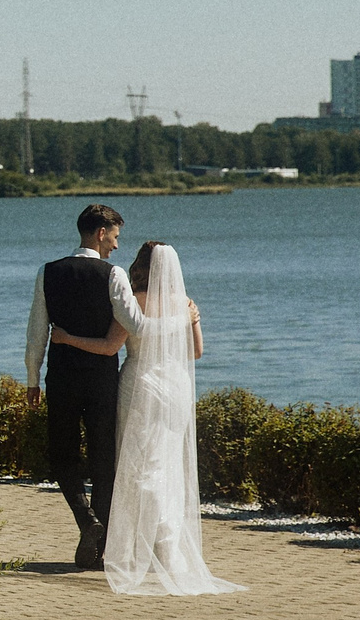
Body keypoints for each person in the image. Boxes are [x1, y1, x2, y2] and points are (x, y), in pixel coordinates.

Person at [48, 241, 243, 596]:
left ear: (139, 266)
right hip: (176, 388)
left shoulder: (134, 302)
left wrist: (66, 338)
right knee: (167, 462)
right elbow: (196, 352)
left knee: (139, 465)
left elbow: (109, 347)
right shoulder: (186, 304)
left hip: (142, 384)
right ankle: (165, 547)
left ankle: (143, 544)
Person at [24, 203, 145, 569]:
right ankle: (99, 538)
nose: (117, 246)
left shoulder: (48, 272)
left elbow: (36, 332)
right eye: (115, 237)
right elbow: (135, 323)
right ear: (100, 233)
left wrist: (32, 378)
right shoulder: (113, 274)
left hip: (61, 377)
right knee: (103, 460)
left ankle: (86, 521)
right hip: (101, 380)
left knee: (62, 457)